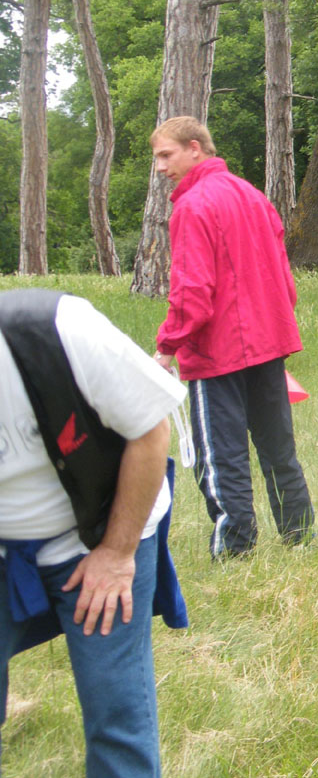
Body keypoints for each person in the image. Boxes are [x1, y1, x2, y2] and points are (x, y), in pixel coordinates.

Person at [0, 288, 188, 777]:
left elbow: (150, 430)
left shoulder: (58, 329)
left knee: (114, 705)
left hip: (103, 530)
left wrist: (117, 552)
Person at [150, 116, 315, 559]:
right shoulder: (253, 195)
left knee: (221, 455)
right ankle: (300, 535)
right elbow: (284, 278)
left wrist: (167, 347)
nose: (161, 167)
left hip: (217, 351)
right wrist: (275, 324)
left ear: (194, 148)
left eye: (166, 155)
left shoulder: (192, 206)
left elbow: (192, 290)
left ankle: (235, 547)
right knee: (278, 448)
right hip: (267, 342)